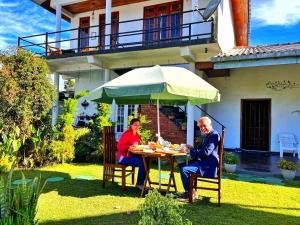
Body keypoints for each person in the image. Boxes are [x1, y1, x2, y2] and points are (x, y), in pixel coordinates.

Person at [178, 116, 220, 200]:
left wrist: (189, 152)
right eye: (200, 126)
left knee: (184, 169)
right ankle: (192, 191)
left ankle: (189, 193)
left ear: (210, 124)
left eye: (204, 125)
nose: (202, 128)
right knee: (181, 165)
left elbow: (206, 152)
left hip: (209, 166)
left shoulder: (214, 135)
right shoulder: (208, 135)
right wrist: (191, 148)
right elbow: (201, 149)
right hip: (205, 163)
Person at [117, 118, 146, 190]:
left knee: (146, 160)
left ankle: (142, 182)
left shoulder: (137, 135)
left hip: (131, 156)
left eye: (138, 125)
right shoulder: (127, 134)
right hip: (122, 157)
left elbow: (137, 146)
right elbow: (119, 146)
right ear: (131, 125)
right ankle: (139, 184)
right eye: (135, 125)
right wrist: (129, 147)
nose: (137, 127)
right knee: (142, 162)